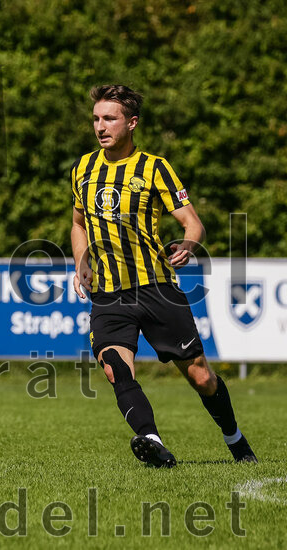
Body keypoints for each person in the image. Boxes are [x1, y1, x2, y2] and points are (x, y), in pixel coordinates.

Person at [70, 85, 256, 467]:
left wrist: (188, 245)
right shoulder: (82, 169)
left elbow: (193, 223)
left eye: (110, 119)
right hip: (109, 293)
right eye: (96, 119)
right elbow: (78, 223)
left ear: (132, 123)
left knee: (202, 378)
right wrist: (81, 261)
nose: (100, 126)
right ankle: (151, 440)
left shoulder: (155, 168)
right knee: (114, 367)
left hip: (157, 288)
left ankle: (235, 439)